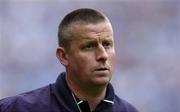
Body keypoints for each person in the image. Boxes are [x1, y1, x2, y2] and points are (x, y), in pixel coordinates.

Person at [0, 8, 138, 112]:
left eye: (107, 44)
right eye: (89, 46)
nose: (103, 55)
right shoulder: (16, 109)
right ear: (63, 56)